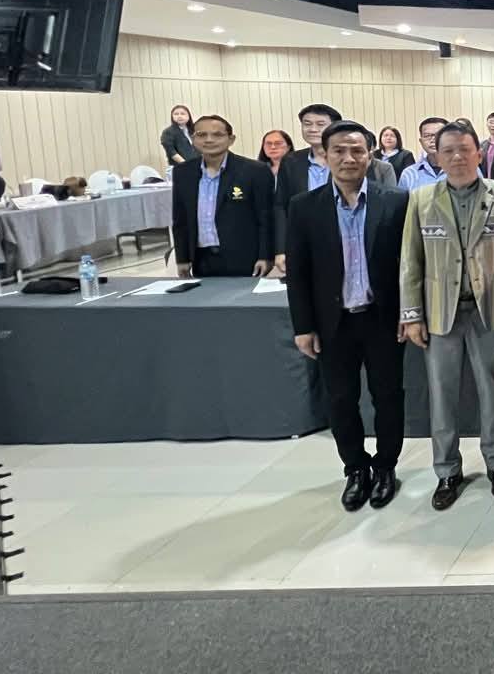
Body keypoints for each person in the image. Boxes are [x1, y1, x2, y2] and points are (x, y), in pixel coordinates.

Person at [399, 123, 494, 511]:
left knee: (493, 390)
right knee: (442, 394)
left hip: (488, 310)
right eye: (448, 150)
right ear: (437, 156)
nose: (457, 157)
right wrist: (412, 315)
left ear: (479, 153)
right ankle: (447, 470)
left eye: (464, 149)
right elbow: (411, 260)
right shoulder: (421, 199)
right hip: (440, 313)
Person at [286, 120, 409, 512]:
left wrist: (409, 313)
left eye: (357, 150)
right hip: (332, 322)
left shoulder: (396, 201)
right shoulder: (304, 207)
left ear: (369, 155)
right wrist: (303, 326)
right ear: (325, 156)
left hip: (382, 319)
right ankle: (355, 468)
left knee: (388, 397)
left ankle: (386, 466)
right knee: (341, 399)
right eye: (339, 150)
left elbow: (410, 265)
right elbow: (298, 272)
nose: (348, 158)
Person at [275, 103, 395, 272]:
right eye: (307, 124)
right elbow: (280, 206)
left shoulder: (356, 160)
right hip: (306, 240)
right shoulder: (291, 161)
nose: (313, 129)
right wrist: (281, 249)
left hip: (350, 239)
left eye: (320, 124)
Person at [171, 114, 273, 278]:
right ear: (193, 139)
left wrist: (265, 256)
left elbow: (265, 218)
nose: (209, 140)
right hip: (201, 258)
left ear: (231, 139)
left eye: (217, 135)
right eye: (201, 135)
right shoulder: (183, 172)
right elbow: (180, 220)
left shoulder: (254, 171)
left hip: (245, 257)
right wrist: (182, 258)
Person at [398, 117, 448, 191]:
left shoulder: (463, 170)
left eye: (439, 135)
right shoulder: (409, 173)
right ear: (421, 142)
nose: (433, 140)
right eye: (427, 136)